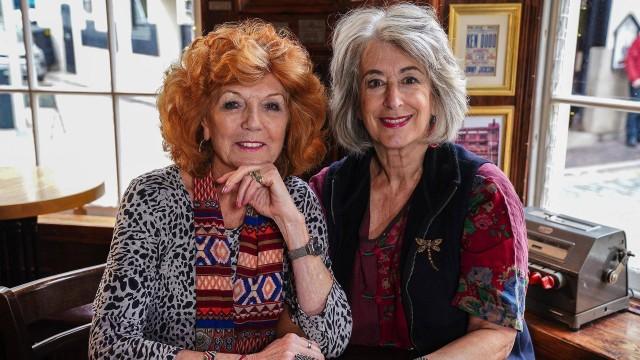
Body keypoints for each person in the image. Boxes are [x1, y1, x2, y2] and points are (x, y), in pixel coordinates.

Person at [89, 20, 352, 360]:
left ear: (290, 122)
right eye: (232, 104)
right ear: (204, 121)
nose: (253, 122)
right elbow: (110, 346)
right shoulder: (152, 198)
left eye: (272, 106)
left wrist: (291, 223)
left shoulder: (297, 199)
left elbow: (331, 339)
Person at [309, 4, 533, 359]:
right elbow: (310, 316)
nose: (393, 100)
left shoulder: (483, 191)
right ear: (356, 98)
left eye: (410, 79)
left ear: (435, 94)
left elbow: (496, 335)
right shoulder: (328, 190)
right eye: (375, 82)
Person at [624, 34, 640, 147]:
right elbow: (629, 59)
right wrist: (634, 78)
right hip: (638, 81)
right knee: (634, 110)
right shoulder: (638, 41)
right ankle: (631, 136)